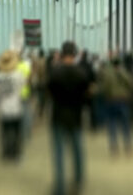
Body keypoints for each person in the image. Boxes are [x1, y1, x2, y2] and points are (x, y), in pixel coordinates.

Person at [47, 41, 90, 195]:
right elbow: (86, 96)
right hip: (76, 115)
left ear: (62, 54)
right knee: (77, 150)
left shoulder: (54, 72)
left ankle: (59, 187)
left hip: (58, 114)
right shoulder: (82, 73)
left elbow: (50, 93)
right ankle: (78, 181)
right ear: (75, 54)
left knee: (59, 152)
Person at [0, 50, 26, 161]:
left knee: (5, 133)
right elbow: (22, 87)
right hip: (16, 107)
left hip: (3, 108)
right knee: (16, 133)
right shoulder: (18, 75)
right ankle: (16, 153)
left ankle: (6, 153)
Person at [100, 57, 133, 156]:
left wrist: (106, 96)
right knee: (125, 125)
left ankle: (114, 147)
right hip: (123, 100)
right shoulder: (125, 72)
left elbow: (104, 87)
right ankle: (128, 146)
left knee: (112, 125)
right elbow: (131, 84)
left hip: (111, 100)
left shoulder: (108, 74)